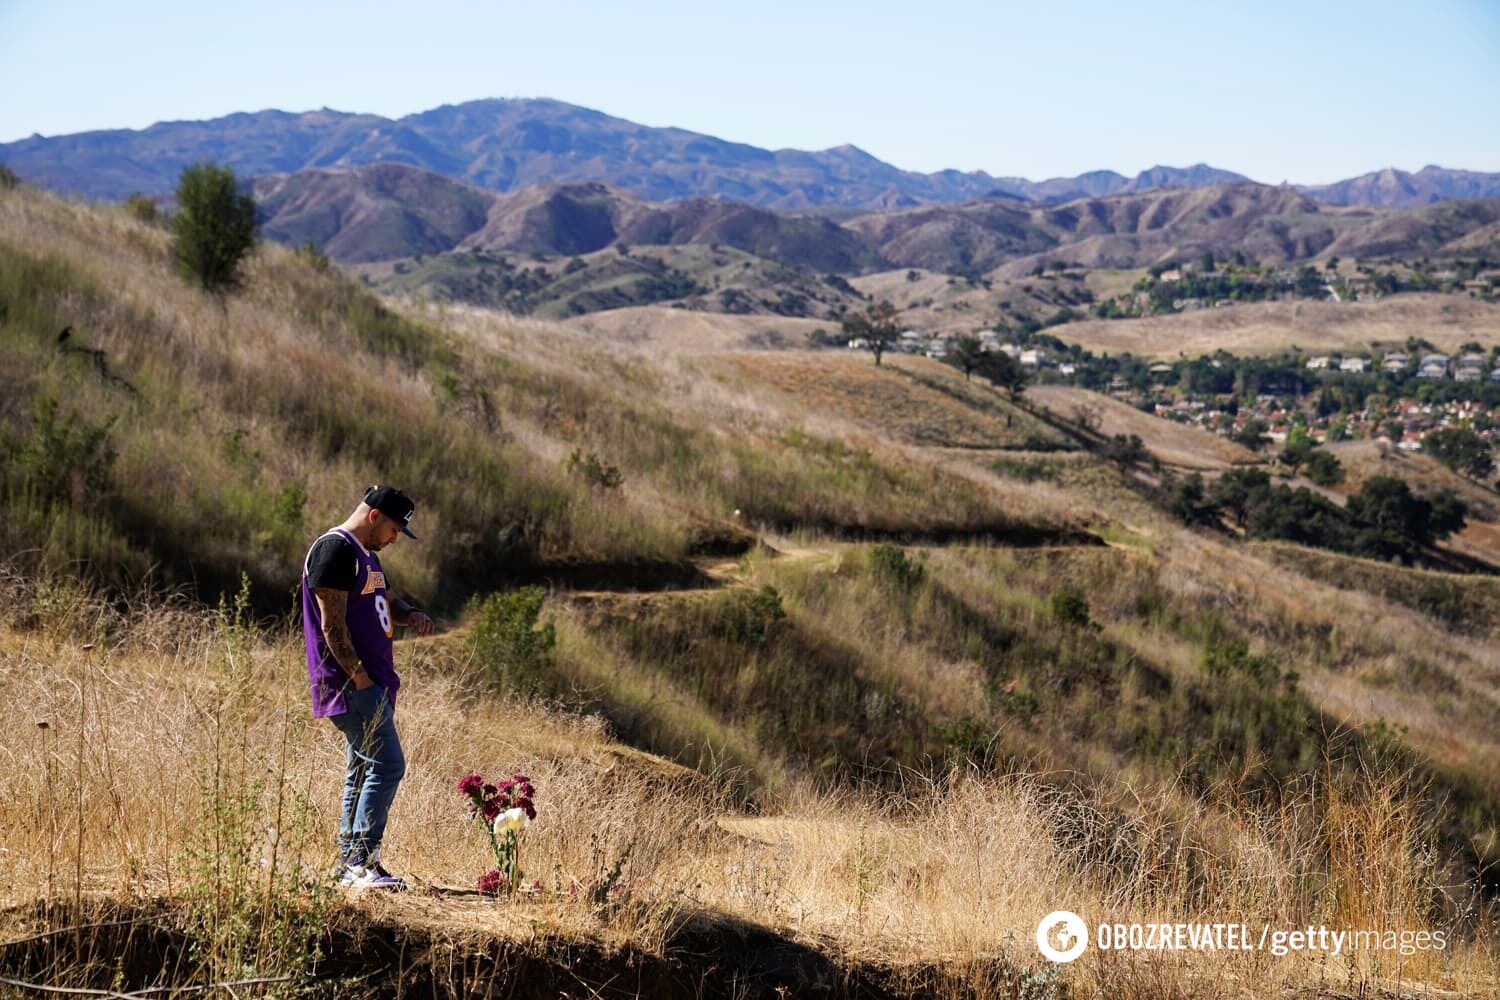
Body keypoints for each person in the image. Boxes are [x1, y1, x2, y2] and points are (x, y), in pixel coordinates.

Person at [301, 484, 434, 889]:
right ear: (375, 516)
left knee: (361, 770)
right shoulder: (335, 550)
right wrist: (360, 679)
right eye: (395, 529)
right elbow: (332, 625)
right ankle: (361, 862)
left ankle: (348, 865)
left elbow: (385, 597)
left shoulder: (365, 556)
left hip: (371, 685)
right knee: (388, 764)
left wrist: (409, 614)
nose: (395, 539)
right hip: (352, 685)